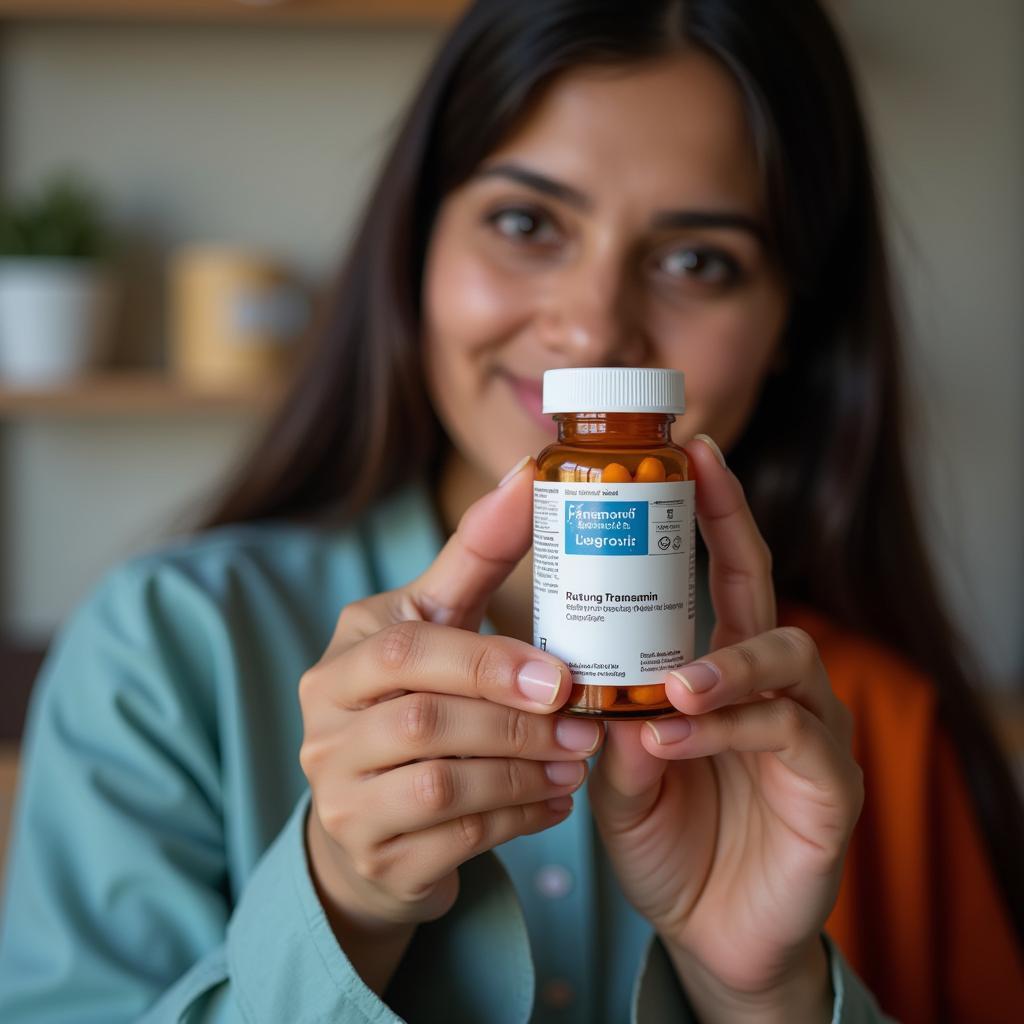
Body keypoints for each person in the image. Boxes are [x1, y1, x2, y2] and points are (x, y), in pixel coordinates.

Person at [1, 1, 1022, 1021]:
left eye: (697, 259)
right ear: (416, 247)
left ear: (793, 324)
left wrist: (765, 994)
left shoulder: (865, 722)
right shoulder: (167, 644)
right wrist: (340, 908)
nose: (590, 328)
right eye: (526, 222)